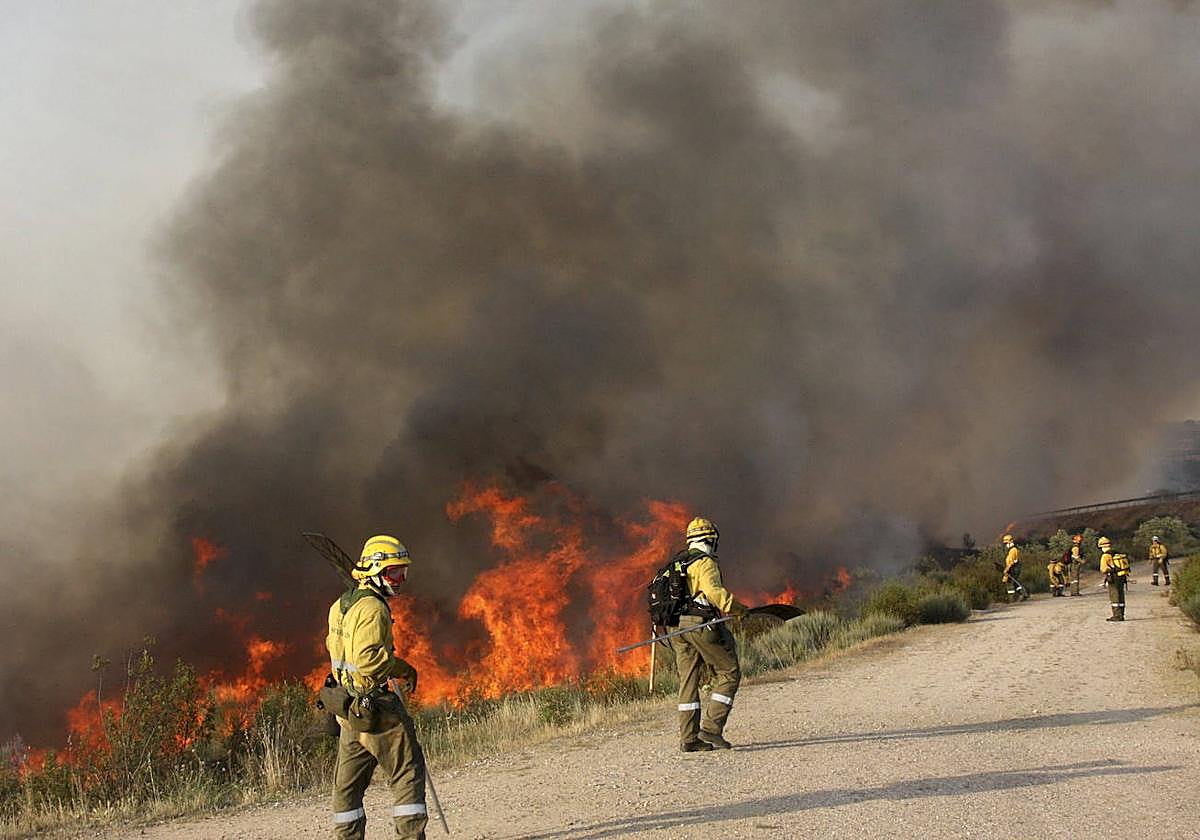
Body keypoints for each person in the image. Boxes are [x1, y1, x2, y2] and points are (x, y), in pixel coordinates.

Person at [324, 535, 427, 840]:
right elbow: (368, 661)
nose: (401, 580)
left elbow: (334, 648)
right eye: (394, 573)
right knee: (407, 774)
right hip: (376, 710)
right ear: (374, 571)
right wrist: (403, 668)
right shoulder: (373, 608)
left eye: (403, 572)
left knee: (347, 789)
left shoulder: (341, 605)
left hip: (349, 710)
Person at [667, 517, 749, 752]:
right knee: (729, 672)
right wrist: (738, 609)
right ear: (711, 540)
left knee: (688, 680)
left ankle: (689, 738)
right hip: (699, 625)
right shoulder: (704, 563)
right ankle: (711, 729)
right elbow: (713, 592)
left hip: (675, 628)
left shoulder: (678, 563)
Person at [1098, 536, 1129, 622]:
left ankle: (1116, 615)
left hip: (1113, 578)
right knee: (1121, 594)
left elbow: (1103, 569)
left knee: (1114, 596)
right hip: (1121, 576)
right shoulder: (1116, 553)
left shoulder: (1105, 556)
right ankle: (1121, 614)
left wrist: (1108, 570)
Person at [1002, 534, 1029, 602]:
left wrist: (1006, 570)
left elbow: (1011, 562)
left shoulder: (1013, 550)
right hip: (1013, 568)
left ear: (1010, 542)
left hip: (1014, 568)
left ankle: (1012, 598)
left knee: (1010, 582)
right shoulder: (1011, 550)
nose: (1005, 545)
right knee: (1014, 582)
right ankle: (1023, 594)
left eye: (1006, 543)